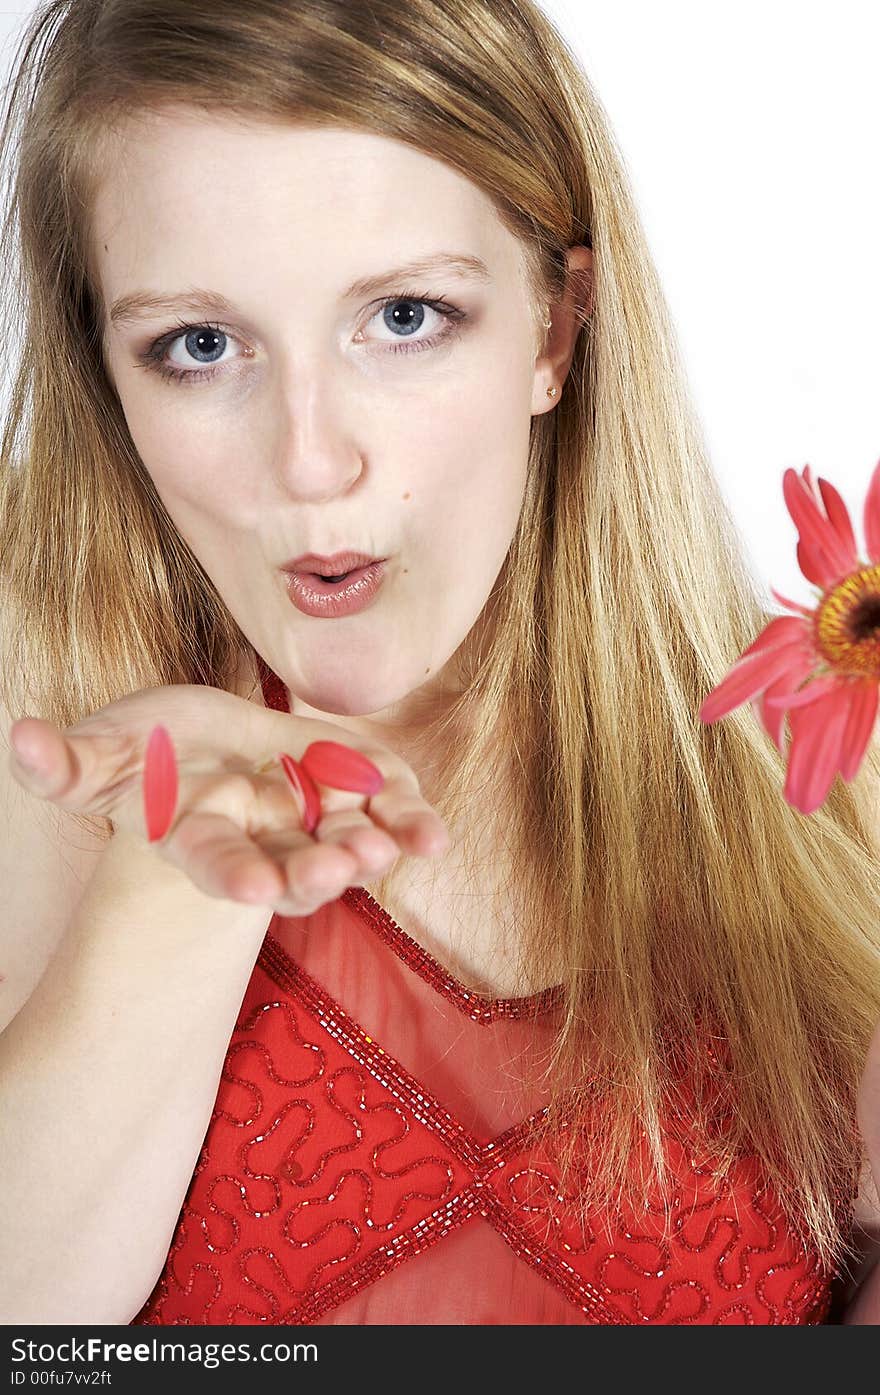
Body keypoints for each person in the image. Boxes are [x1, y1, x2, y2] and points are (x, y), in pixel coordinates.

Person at [0, 0, 879, 1326]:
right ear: (104, 372)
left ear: (554, 329)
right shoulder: (42, 705)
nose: (310, 460)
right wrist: (167, 889)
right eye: (198, 346)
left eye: (404, 317)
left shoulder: (820, 767)